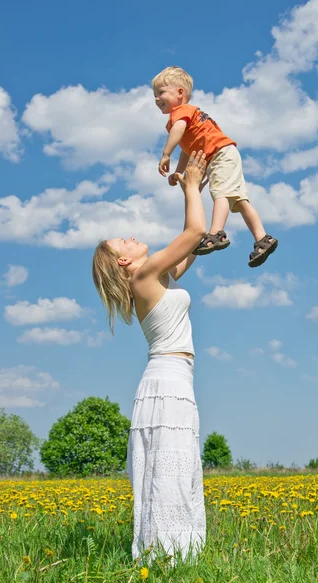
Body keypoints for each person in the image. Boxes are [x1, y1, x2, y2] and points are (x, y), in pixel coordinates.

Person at [92, 151, 207, 562]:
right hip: (167, 381)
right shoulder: (142, 276)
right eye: (122, 241)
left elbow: (192, 244)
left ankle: (177, 558)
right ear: (125, 261)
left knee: (177, 470)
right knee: (168, 473)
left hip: (174, 380)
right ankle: (166, 559)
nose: (130, 236)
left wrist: (197, 188)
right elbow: (193, 234)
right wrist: (190, 184)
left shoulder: (155, 275)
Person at [152, 65, 278, 268]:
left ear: (180, 93)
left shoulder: (180, 113)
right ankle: (263, 238)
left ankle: (216, 233)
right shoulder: (188, 117)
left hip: (220, 155)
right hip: (225, 154)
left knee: (220, 193)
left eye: (161, 93)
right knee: (239, 201)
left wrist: (166, 154)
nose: (156, 99)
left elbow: (178, 130)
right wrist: (179, 171)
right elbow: (187, 149)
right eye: (155, 95)